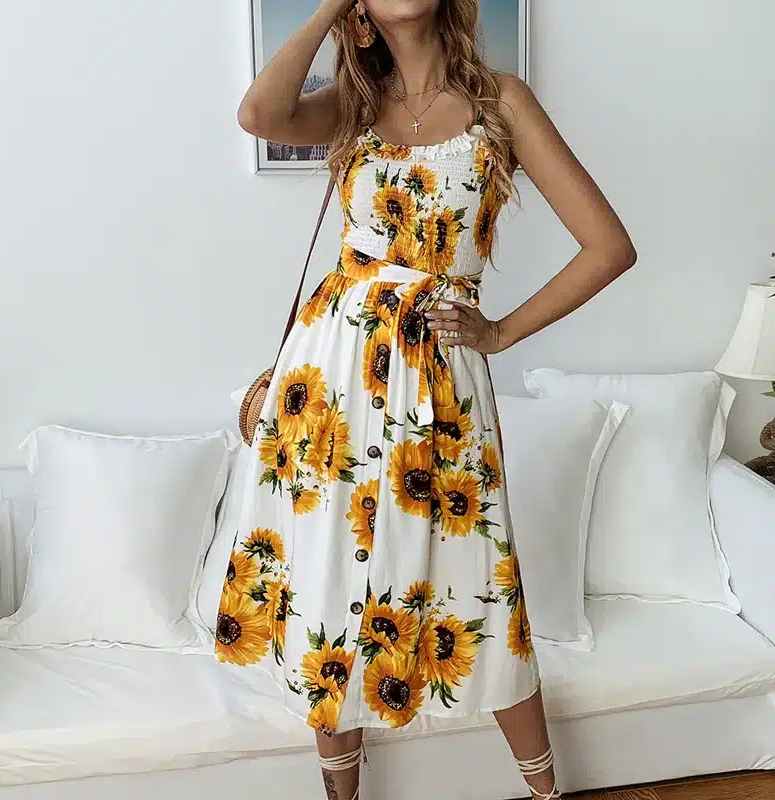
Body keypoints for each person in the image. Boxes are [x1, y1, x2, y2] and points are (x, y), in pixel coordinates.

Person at [216, 2, 637, 798]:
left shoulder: (501, 102)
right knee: (329, 579)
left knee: (479, 578)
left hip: (441, 377)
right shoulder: (351, 105)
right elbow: (258, 115)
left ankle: (546, 792)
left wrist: (501, 332)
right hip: (331, 375)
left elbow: (609, 246)